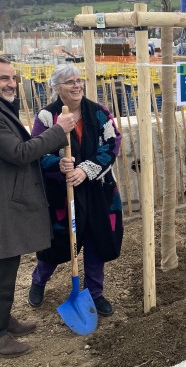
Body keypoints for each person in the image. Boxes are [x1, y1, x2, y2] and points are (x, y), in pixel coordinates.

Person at [28, 64, 123, 316]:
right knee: (56, 243)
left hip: (98, 191)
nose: (77, 85)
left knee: (97, 240)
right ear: (57, 88)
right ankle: (39, 281)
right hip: (63, 193)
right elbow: (37, 151)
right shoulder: (47, 117)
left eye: (79, 80)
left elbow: (113, 143)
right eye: (70, 82)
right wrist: (58, 164)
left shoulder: (99, 112)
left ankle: (95, 293)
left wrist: (86, 169)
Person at [0, 57, 75, 358]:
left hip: (8, 200)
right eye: (4, 78)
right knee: (3, 270)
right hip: (3, 205)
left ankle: (4, 320)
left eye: (13, 78)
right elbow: (19, 153)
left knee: (9, 264)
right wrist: (57, 132)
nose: (11, 83)